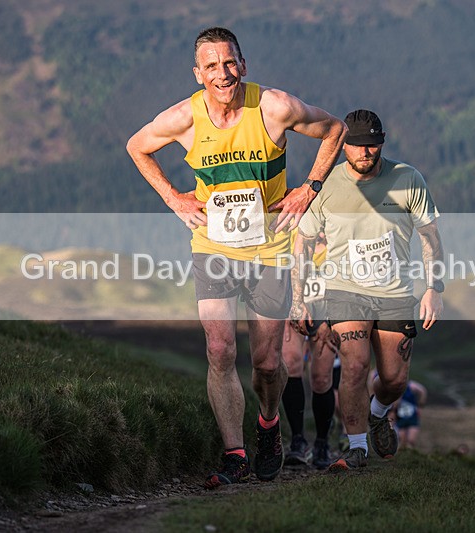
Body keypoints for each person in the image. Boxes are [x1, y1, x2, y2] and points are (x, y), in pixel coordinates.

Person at [126, 27, 346, 488]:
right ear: (198, 73)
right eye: (211, 66)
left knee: (267, 363)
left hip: (270, 249)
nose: (222, 74)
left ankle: (268, 427)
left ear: (242, 65)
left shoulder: (274, 107)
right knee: (220, 350)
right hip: (213, 248)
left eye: (230, 63)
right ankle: (235, 454)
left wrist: (310, 188)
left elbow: (335, 130)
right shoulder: (185, 117)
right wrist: (173, 198)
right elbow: (137, 146)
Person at [290, 109, 444, 471]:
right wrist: (298, 300)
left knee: (393, 379)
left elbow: (430, 235)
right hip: (345, 290)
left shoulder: (408, 179)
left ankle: (377, 412)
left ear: (382, 144)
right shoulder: (327, 187)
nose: (366, 153)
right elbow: (304, 242)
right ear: (344, 146)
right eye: (358, 146)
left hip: (394, 293)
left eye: (373, 146)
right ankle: (356, 447)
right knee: (355, 366)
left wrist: (433, 287)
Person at [281, 233, 339, 469]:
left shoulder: (338, 233)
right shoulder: (294, 231)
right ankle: (297, 439)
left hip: (327, 307)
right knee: (292, 363)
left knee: (321, 377)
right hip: (292, 303)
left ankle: (322, 442)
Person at [391, 379, 427, 449]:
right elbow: (393, 407)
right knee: (401, 441)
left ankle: (410, 454)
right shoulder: (394, 388)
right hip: (401, 418)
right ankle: (404, 457)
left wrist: (420, 405)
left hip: (412, 417)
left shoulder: (411, 385)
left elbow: (423, 391)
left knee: (411, 440)